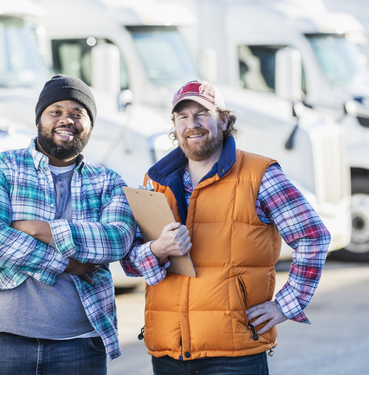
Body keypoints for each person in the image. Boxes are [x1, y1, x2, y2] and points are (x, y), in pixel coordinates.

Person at [121, 80, 330, 375]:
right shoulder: (155, 182)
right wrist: (157, 250)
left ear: (224, 119)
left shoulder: (260, 176)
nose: (191, 124)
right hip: (170, 349)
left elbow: (314, 236)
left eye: (201, 113)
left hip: (234, 353)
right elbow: (129, 261)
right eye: (182, 117)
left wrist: (286, 305)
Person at [0, 75, 136, 375]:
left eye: (77, 113)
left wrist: (36, 229)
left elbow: (117, 240)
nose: (66, 120)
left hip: (79, 347)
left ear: (90, 125)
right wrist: (68, 263)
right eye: (55, 111)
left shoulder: (108, 182)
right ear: (39, 120)